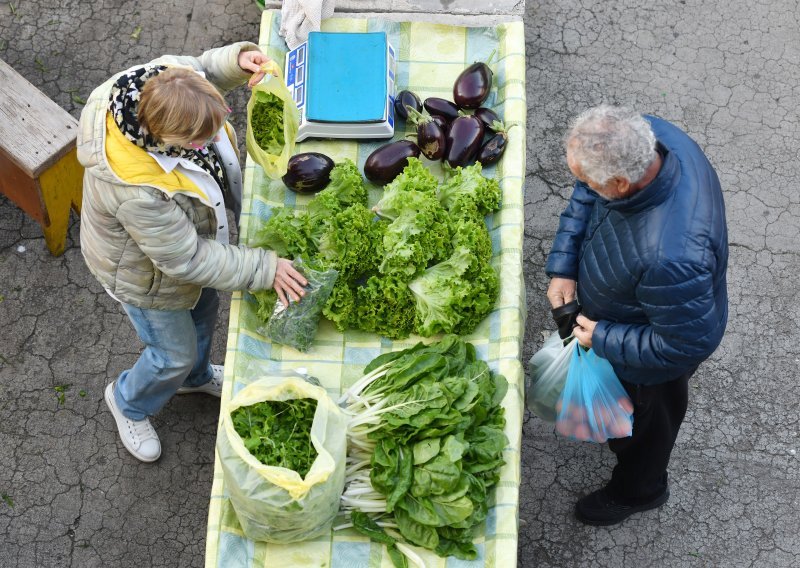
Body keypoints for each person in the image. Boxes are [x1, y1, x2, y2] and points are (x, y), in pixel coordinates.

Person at [77, 42, 308, 463]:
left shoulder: (164, 79)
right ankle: (128, 401)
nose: (213, 139)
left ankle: (195, 378)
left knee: (204, 312)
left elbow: (202, 68)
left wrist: (235, 63)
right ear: (167, 138)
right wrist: (263, 267)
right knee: (172, 353)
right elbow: (186, 260)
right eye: (203, 137)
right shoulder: (136, 190)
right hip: (145, 278)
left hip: (183, 257)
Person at [545, 105, 728, 525]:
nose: (582, 186)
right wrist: (564, 265)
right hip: (640, 307)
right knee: (630, 414)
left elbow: (685, 344)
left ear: (621, 184)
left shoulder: (674, 258)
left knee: (648, 429)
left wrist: (604, 337)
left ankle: (639, 491)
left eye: (588, 180)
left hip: (655, 356)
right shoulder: (647, 135)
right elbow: (586, 194)